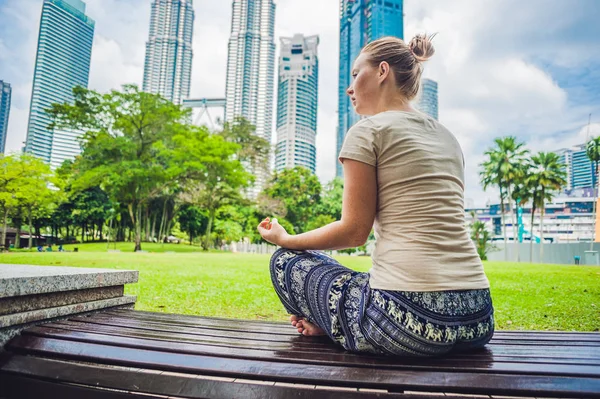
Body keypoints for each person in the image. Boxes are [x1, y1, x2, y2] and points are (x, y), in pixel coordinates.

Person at [258, 34, 493, 357]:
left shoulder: (368, 131)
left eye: (356, 74)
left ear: (382, 71)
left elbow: (354, 232)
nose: (349, 87)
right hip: (477, 317)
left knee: (287, 261)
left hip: (409, 323)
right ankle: (335, 324)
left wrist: (287, 239)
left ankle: (334, 326)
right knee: (361, 277)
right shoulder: (447, 136)